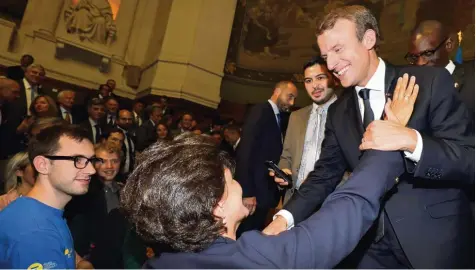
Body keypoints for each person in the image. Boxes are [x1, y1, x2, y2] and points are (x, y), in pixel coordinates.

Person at [266, 5, 474, 269]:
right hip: (367, 249)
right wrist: (283, 219)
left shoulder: (428, 81)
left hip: (435, 243)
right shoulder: (339, 111)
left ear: (369, 39)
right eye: (325, 55)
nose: (330, 65)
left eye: (338, 50)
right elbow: (324, 175)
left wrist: (412, 141)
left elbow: (470, 159)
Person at [121, 134, 406, 268]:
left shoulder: (161, 263)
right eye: (231, 181)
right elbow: (347, 212)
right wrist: (391, 138)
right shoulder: (254, 260)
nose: (239, 185)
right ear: (217, 207)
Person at [0, 124, 97, 268]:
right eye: (77, 160)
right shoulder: (36, 231)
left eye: (91, 160)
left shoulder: (38, 211)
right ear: (43, 165)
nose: (92, 170)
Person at [235, 81, 298, 236]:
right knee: (244, 235)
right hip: (253, 194)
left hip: (263, 194)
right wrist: (247, 192)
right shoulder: (261, 111)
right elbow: (246, 151)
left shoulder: (278, 118)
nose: (292, 102)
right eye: (290, 96)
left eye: (294, 99)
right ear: (277, 91)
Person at [277, 56, 339, 204]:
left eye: (320, 78)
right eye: (308, 81)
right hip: (294, 200)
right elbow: (287, 156)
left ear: (334, 79)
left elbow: (357, 166)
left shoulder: (349, 114)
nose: (314, 86)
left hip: (331, 204)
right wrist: (284, 171)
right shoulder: (296, 117)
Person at [406, 20, 475, 115]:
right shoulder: (410, 88)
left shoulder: (472, 80)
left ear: (448, 45)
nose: (420, 63)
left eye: (427, 53)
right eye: (414, 57)